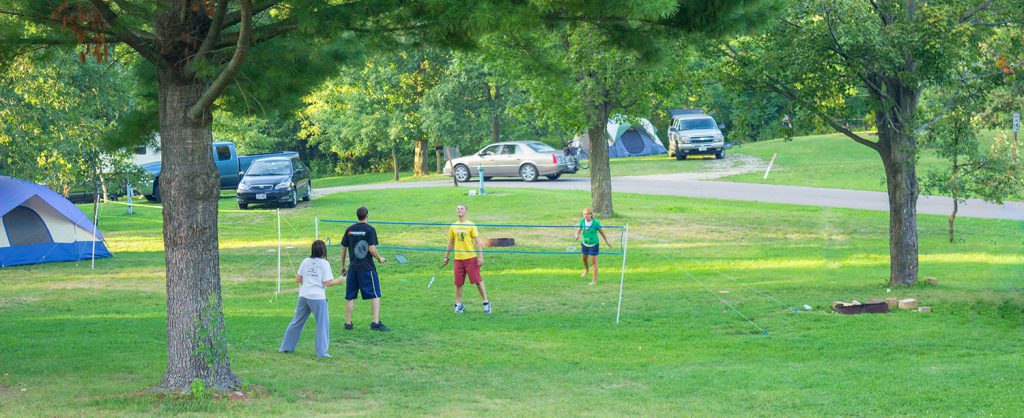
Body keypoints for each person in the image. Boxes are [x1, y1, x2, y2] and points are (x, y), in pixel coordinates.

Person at [280, 239, 342, 358]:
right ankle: (322, 353)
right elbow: (327, 283)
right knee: (322, 324)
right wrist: (339, 280)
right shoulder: (324, 264)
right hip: (318, 298)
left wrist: (310, 279)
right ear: (324, 251)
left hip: (303, 296)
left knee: (297, 322)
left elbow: (298, 279)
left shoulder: (305, 261)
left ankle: (286, 348)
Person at [341, 206, 389, 332]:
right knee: (375, 294)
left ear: (357, 216)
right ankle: (375, 323)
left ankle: (348, 324)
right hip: (367, 269)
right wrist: (380, 258)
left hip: (352, 269)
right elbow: (372, 249)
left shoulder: (349, 230)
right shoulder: (370, 230)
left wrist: (342, 266)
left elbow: (343, 248)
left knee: (350, 296)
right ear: (367, 215)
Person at [442, 204, 491, 314]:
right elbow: (451, 243)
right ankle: (459, 305)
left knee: (477, 281)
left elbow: (478, 243)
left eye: (461, 208)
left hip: (470, 259)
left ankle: (486, 303)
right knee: (458, 283)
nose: (459, 210)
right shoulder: (453, 226)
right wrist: (446, 256)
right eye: (457, 209)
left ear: (466, 212)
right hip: (458, 259)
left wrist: (480, 257)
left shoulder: (471, 225)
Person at [575, 208, 612, 285]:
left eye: (587, 214)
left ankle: (594, 280)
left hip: (593, 244)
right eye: (584, 214)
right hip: (585, 244)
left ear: (591, 214)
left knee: (593, 262)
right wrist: (577, 235)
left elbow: (602, 232)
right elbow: (578, 230)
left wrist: (607, 241)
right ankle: (587, 270)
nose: (586, 216)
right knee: (584, 259)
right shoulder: (582, 221)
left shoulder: (596, 223)